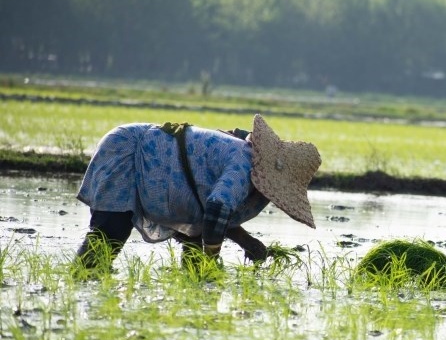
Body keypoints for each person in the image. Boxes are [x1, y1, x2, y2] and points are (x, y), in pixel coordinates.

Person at [73, 114, 321, 271]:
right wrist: (211, 263)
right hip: (130, 151)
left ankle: (194, 286)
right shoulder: (245, 165)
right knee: (110, 234)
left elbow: (214, 211)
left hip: (169, 171)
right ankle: (81, 282)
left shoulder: (255, 175)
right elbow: (217, 208)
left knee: (195, 245)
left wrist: (248, 243)